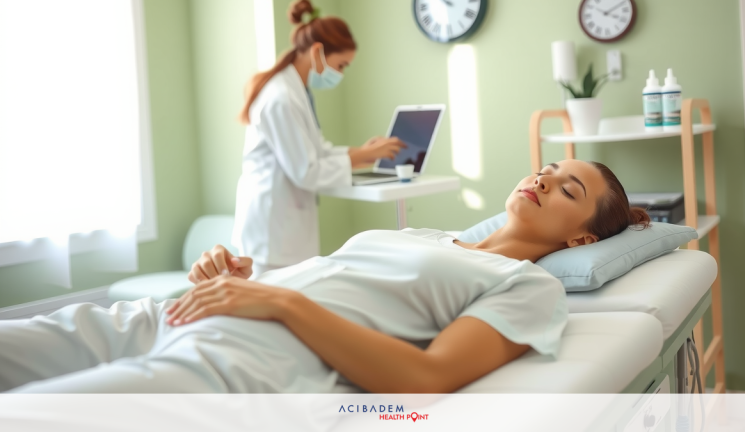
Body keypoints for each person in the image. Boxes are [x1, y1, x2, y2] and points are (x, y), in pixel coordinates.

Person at [0, 160, 650, 394]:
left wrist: (278, 303)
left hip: (245, 361)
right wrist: (236, 276)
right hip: (161, 317)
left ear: (582, 237)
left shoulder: (531, 288)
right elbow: (334, 280)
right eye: (546, 169)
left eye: (567, 188)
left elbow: (426, 381)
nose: (540, 180)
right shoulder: (426, 236)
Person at [233, 0, 406, 275]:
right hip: (271, 233)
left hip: (284, 228)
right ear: (317, 52)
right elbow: (306, 170)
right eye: (341, 65)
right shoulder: (281, 98)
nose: (340, 74)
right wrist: (363, 156)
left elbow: (317, 150)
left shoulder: (297, 92)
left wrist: (363, 152)